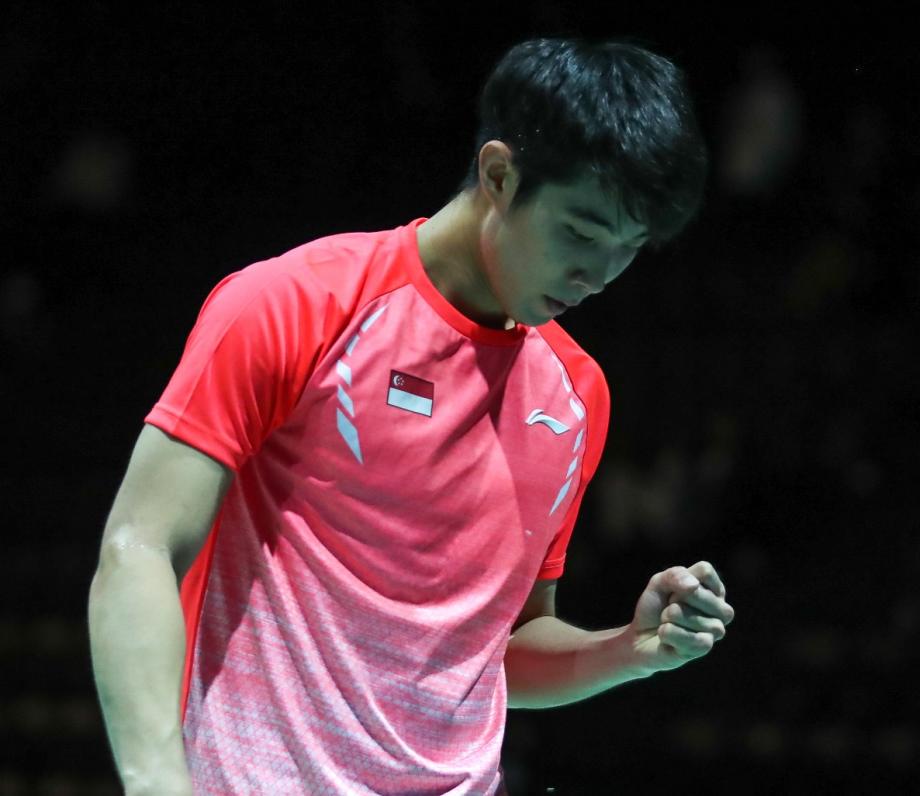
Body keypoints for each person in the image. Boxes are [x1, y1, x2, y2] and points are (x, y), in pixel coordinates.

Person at [87, 37, 735, 794]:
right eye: (581, 234)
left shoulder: (573, 395)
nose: (597, 275)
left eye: (627, 249)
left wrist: (627, 648)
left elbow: (498, 649)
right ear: (499, 175)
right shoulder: (297, 306)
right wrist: (156, 778)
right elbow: (139, 549)